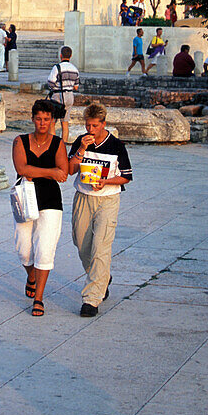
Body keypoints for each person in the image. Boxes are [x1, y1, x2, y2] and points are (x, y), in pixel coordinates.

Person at [68, 102, 132, 317]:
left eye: (95, 126)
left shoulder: (116, 145)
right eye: (88, 125)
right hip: (83, 197)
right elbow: (70, 170)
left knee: (100, 247)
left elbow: (127, 176)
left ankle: (91, 299)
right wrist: (82, 149)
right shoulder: (81, 141)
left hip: (108, 199)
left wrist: (106, 181)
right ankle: (102, 276)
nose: (90, 130)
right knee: (81, 243)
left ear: (104, 124)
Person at [12, 100, 68, 317]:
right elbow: (20, 168)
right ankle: (31, 275)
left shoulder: (58, 143)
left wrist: (37, 172)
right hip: (24, 198)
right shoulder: (20, 141)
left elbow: (62, 173)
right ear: (32, 119)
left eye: (47, 119)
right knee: (23, 248)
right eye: (38, 118)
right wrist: (50, 172)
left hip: (51, 200)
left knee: (45, 248)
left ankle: (39, 298)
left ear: (52, 120)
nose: (42, 123)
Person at [47, 45, 80, 143]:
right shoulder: (75, 69)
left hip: (58, 96)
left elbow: (51, 83)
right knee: (65, 122)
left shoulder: (57, 67)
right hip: (69, 96)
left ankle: (53, 144)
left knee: (52, 122)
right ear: (70, 56)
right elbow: (76, 87)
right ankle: (63, 144)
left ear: (61, 55)